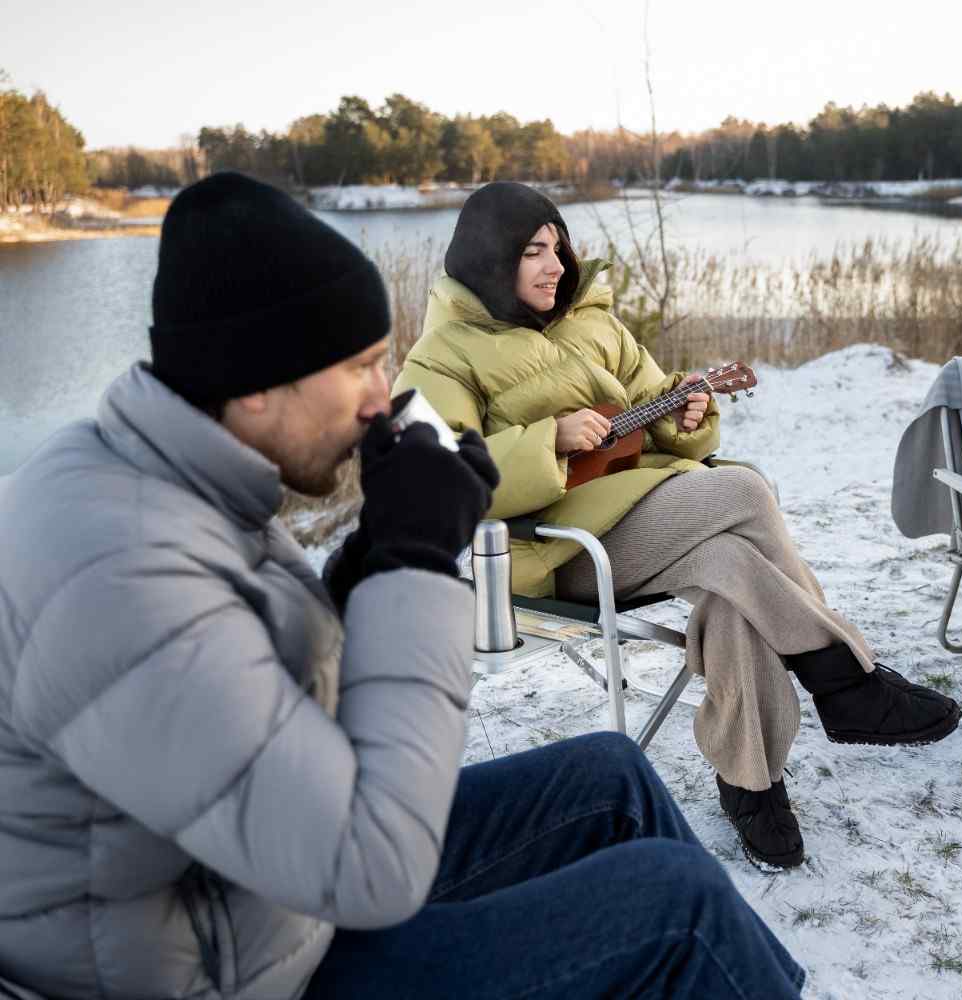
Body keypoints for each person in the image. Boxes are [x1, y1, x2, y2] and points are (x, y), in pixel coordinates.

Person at [0, 172, 804, 999]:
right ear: (256, 381)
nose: (382, 401)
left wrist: (363, 564)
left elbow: (259, 712)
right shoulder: (118, 571)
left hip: (254, 893)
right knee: (678, 911)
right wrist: (413, 567)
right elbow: (368, 864)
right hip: (227, 970)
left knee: (610, 781)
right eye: (359, 369)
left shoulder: (169, 476)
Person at [394, 181, 960, 869]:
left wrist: (683, 416)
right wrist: (547, 439)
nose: (554, 266)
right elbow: (434, 479)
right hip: (553, 553)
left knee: (730, 571)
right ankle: (845, 679)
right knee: (744, 491)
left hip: (646, 518)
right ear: (487, 259)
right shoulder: (439, 356)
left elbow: (656, 414)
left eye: (558, 248)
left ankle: (752, 783)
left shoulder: (595, 323)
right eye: (532, 252)